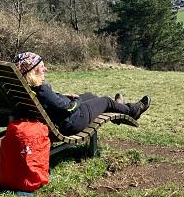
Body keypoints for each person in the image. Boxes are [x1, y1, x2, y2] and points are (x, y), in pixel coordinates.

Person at [13, 52, 150, 135]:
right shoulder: (42, 90)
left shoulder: (24, 89)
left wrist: (64, 96)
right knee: (105, 101)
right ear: (33, 71)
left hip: (60, 118)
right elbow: (67, 108)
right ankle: (132, 110)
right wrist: (76, 101)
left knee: (90, 96)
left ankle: (120, 108)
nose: (46, 69)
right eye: (42, 67)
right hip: (73, 121)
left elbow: (50, 102)